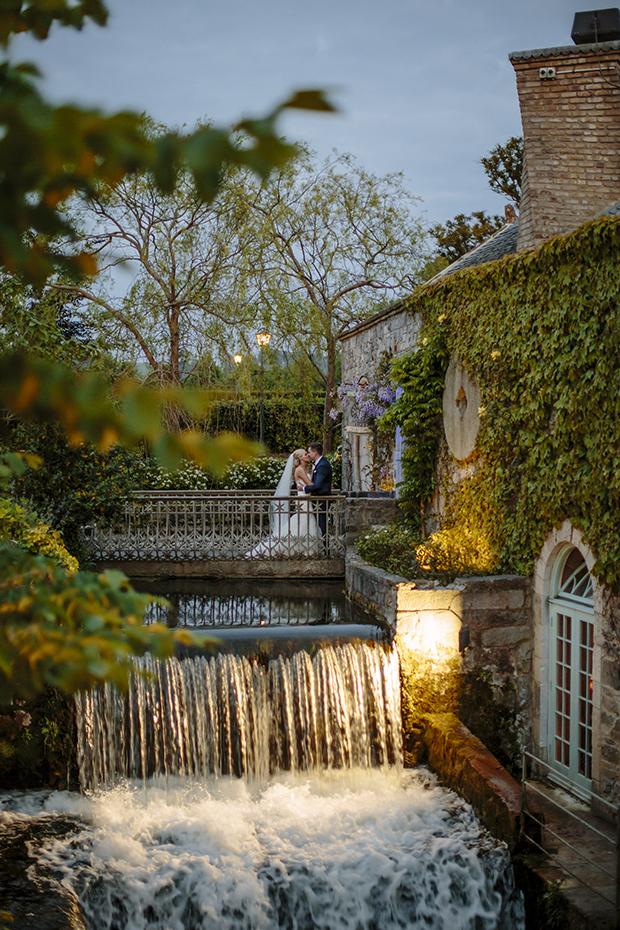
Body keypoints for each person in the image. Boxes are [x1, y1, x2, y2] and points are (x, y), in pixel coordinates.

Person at [245, 449, 320, 558]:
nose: (308, 455)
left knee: (307, 521)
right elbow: (310, 484)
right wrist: (311, 487)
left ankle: (306, 549)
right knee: (303, 520)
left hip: (307, 497)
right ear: (300, 458)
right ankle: (292, 547)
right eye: (305, 454)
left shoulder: (306, 469)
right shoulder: (299, 470)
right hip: (303, 499)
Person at [304, 442, 333, 537]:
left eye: (309, 452)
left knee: (322, 524)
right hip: (318, 499)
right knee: (319, 523)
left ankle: (326, 547)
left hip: (322, 499)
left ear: (315, 452)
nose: (308, 454)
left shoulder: (323, 465)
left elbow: (318, 485)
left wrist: (304, 488)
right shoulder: (319, 464)